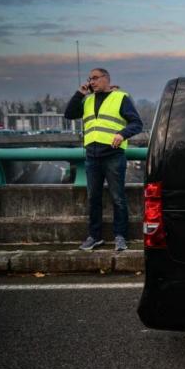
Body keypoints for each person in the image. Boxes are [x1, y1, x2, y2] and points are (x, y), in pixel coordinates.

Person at [64, 68, 143, 251]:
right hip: (92, 155)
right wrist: (79, 93)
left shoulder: (120, 97)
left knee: (118, 198)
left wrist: (122, 134)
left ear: (106, 79)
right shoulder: (88, 100)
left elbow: (136, 123)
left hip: (113, 155)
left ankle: (120, 236)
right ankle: (95, 237)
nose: (92, 82)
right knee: (93, 199)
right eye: (90, 79)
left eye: (95, 78)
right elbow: (69, 114)